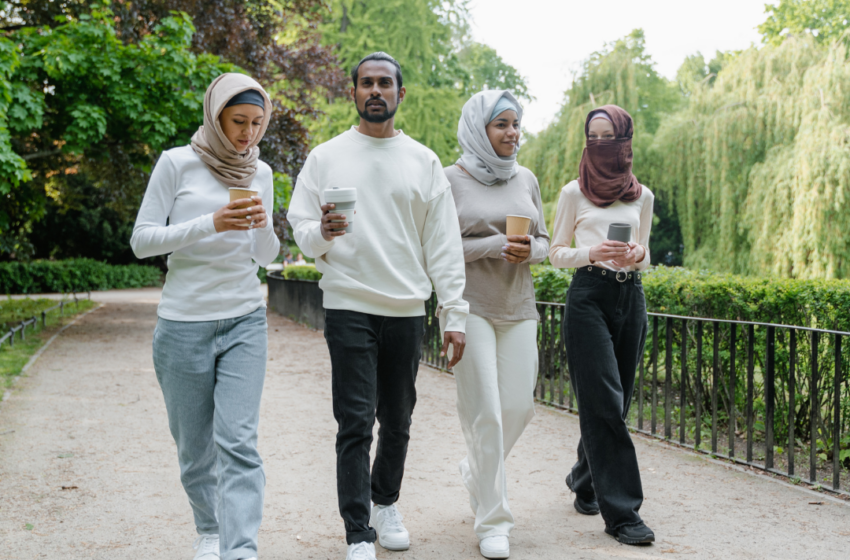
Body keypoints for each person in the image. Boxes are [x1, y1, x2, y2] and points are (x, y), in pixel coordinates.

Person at [287, 52, 468, 560]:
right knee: (354, 422)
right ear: (353, 92)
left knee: (400, 418)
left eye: (385, 83)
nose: (375, 90)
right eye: (366, 83)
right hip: (347, 303)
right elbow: (299, 226)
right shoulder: (326, 157)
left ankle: (385, 500)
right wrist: (320, 233)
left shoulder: (424, 161)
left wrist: (454, 313)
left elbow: (444, 246)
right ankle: (358, 531)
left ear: (399, 94)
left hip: (407, 308)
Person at [130, 73, 280, 560]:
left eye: (258, 124)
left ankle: (240, 548)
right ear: (216, 115)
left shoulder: (261, 173)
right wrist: (209, 223)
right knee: (195, 448)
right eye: (239, 122)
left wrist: (261, 228)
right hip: (182, 324)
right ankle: (210, 530)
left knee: (239, 441)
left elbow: (266, 255)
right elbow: (142, 240)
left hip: (244, 319)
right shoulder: (176, 163)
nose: (248, 134)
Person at [443, 90, 550, 559]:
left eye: (516, 124)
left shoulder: (525, 177)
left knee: (518, 407)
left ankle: (476, 471)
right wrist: (492, 245)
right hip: (470, 306)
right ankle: (494, 522)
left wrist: (531, 250)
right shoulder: (449, 179)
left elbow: (545, 241)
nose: (512, 133)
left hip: (518, 303)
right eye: (501, 124)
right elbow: (440, 249)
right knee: (484, 410)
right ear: (478, 128)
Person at [549, 105, 655, 545]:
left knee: (618, 399)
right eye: (592, 136)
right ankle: (623, 514)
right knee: (605, 401)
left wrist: (635, 256)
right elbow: (555, 253)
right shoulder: (573, 192)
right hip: (588, 296)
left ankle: (585, 479)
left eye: (607, 136)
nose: (599, 144)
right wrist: (591, 253)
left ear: (624, 141)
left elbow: (647, 255)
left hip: (630, 297)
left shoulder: (642, 195)